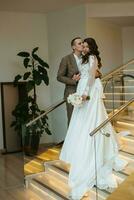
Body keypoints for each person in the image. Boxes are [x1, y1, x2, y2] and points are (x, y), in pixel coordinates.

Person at [59, 37, 128, 200]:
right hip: (82, 86)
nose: (83, 46)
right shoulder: (83, 58)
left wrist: (85, 93)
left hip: (89, 88)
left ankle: (93, 149)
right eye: (82, 44)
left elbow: (92, 76)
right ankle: (83, 143)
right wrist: (79, 85)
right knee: (81, 119)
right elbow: (86, 74)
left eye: (86, 45)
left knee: (93, 117)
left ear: (90, 47)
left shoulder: (92, 57)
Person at [57, 37, 102, 125]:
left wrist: (97, 74)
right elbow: (59, 77)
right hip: (72, 92)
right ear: (73, 47)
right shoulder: (66, 59)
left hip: (86, 91)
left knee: (85, 120)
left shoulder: (87, 57)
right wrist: (73, 80)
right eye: (79, 43)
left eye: (82, 43)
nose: (82, 45)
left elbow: (94, 73)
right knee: (73, 121)